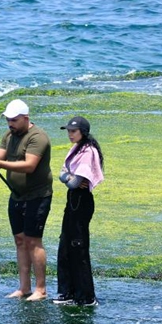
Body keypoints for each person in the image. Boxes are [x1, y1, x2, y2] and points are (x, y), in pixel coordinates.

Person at [0, 99, 53, 302]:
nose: (10, 124)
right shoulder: (9, 135)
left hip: (38, 196)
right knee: (20, 240)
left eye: (14, 120)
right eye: (8, 120)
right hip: (17, 195)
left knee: (33, 241)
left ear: (26, 118)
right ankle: (24, 288)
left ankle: (41, 289)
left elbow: (29, 165)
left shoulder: (38, 137)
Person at [54, 116, 104, 307]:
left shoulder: (88, 151)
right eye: (68, 131)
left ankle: (86, 296)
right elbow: (62, 175)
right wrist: (68, 176)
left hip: (81, 201)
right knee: (65, 244)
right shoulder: (76, 149)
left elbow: (75, 182)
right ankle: (68, 292)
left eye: (73, 131)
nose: (69, 134)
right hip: (72, 198)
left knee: (78, 246)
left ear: (82, 131)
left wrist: (68, 177)